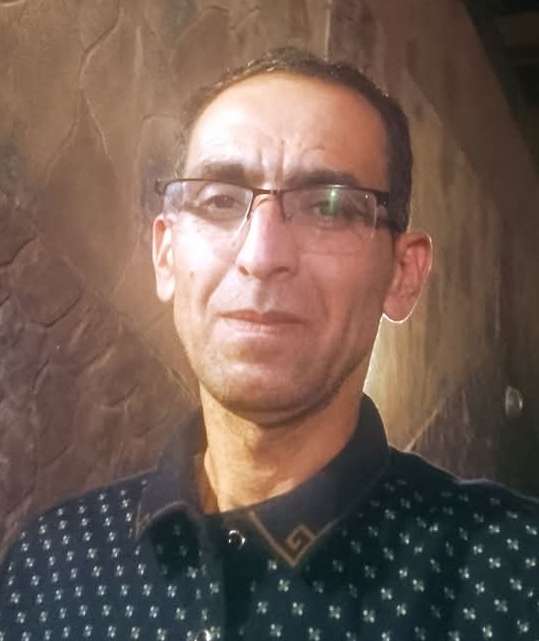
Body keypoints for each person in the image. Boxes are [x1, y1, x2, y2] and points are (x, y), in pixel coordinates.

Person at [1, 47, 538, 641]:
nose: (261, 257)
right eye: (220, 200)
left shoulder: (513, 577)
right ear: (165, 255)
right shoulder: (48, 564)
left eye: (329, 208)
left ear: (402, 274)